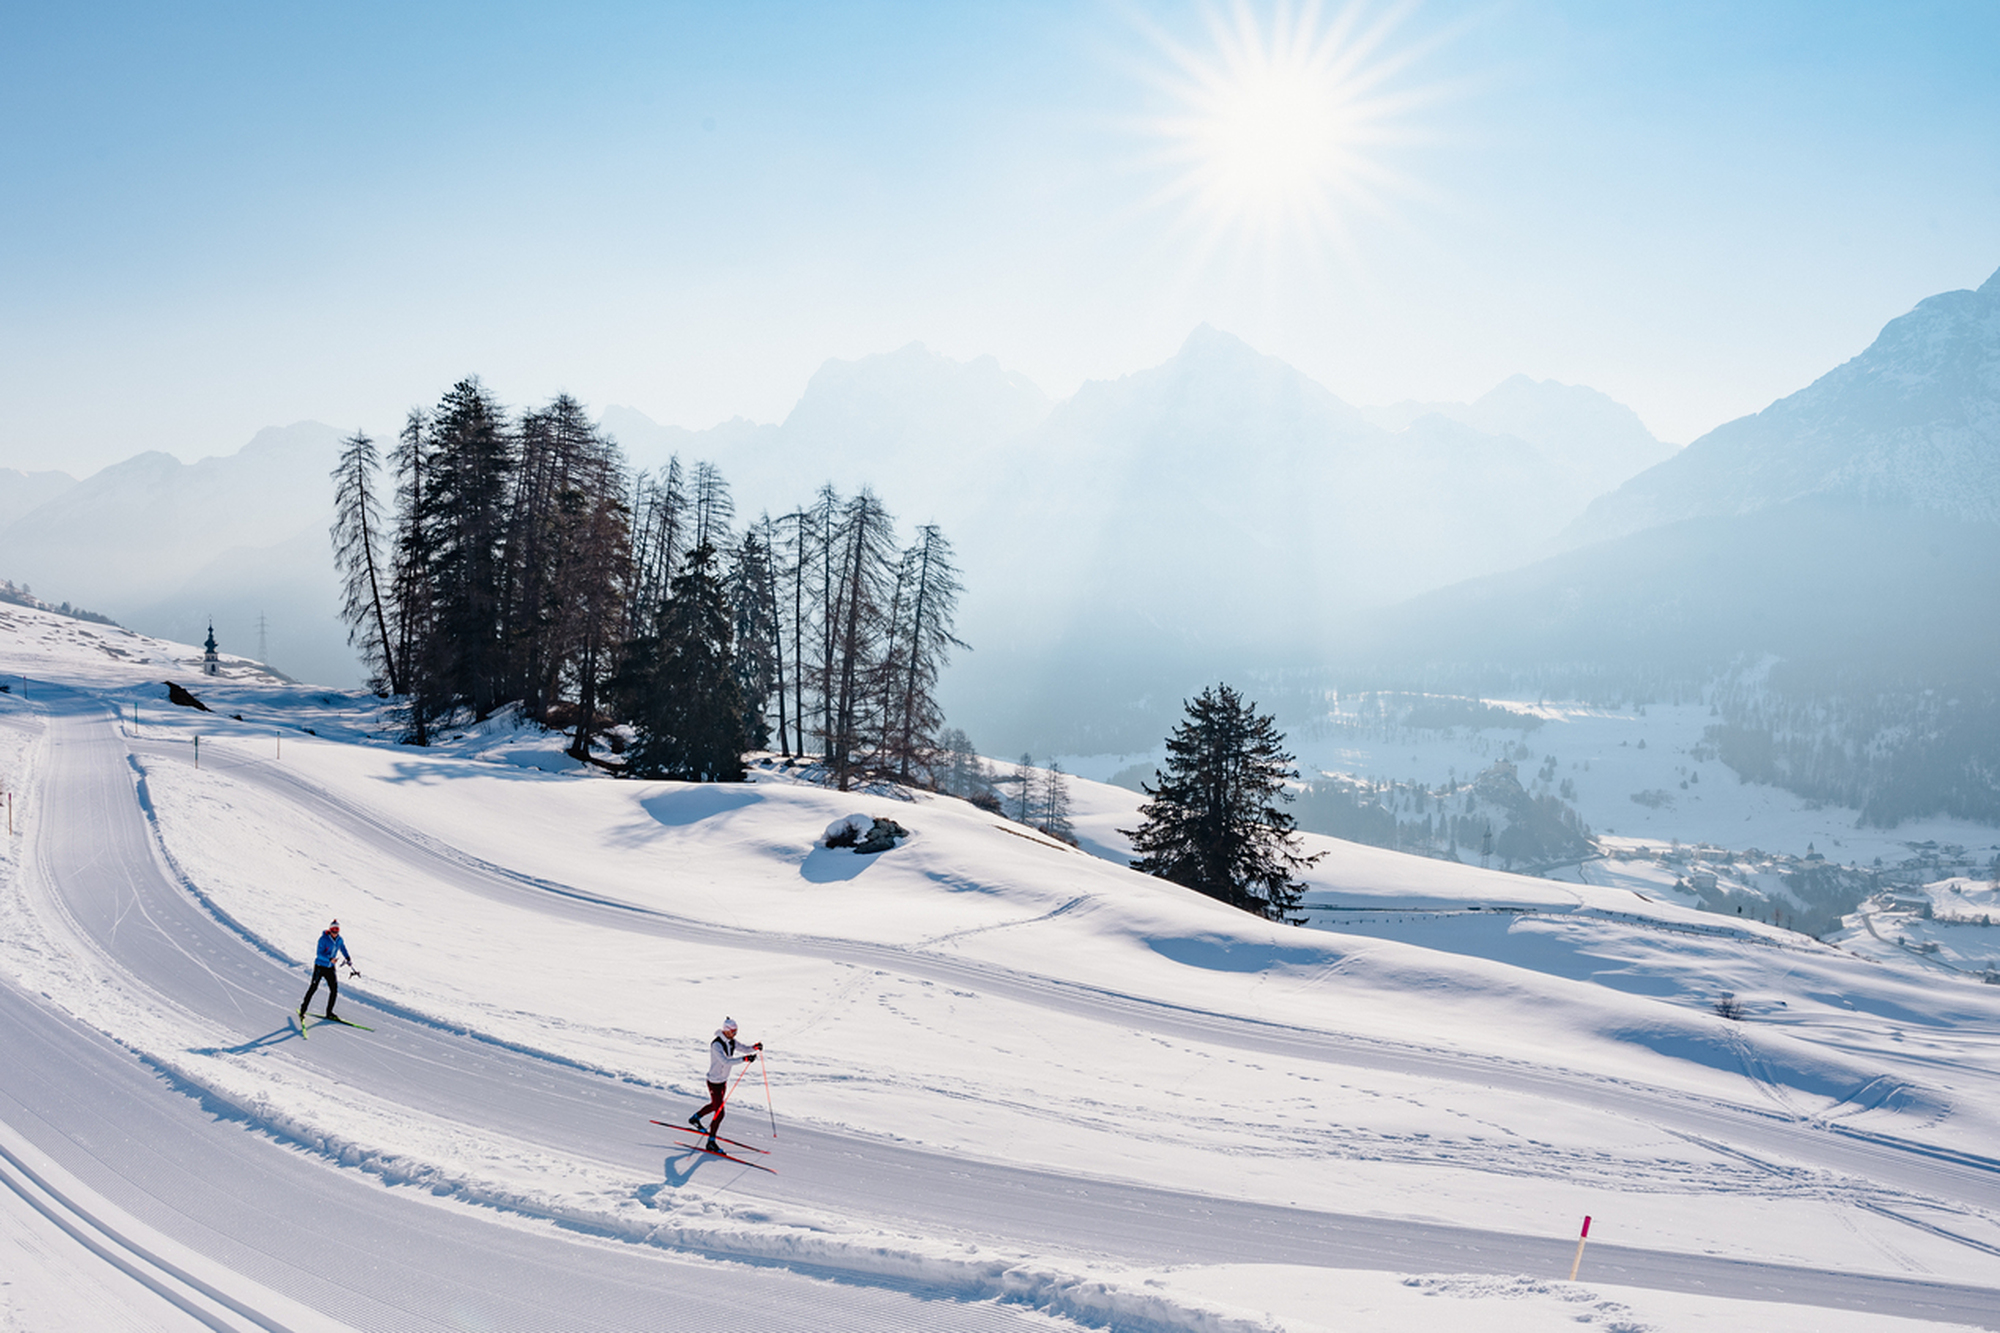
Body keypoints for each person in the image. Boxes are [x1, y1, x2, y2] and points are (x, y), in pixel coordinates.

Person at [686, 1017, 760, 1150]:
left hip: (723, 1081)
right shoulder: (717, 1045)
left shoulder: (731, 1041)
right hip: (714, 1081)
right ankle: (711, 1142)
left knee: (716, 1106)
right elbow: (725, 1061)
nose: (735, 1034)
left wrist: (754, 1048)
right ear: (726, 1031)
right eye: (733, 1031)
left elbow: (743, 1048)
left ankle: (695, 1118)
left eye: (736, 1031)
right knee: (720, 1112)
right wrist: (745, 1059)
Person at [299, 920, 356, 1021]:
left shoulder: (339, 939)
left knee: (334, 990)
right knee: (313, 988)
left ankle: (329, 1012)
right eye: (333, 930)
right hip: (320, 966)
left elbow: (342, 948)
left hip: (330, 968)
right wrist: (330, 959)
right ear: (330, 930)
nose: (335, 932)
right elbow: (319, 954)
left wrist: (347, 958)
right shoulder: (323, 939)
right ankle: (303, 1010)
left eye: (337, 930)